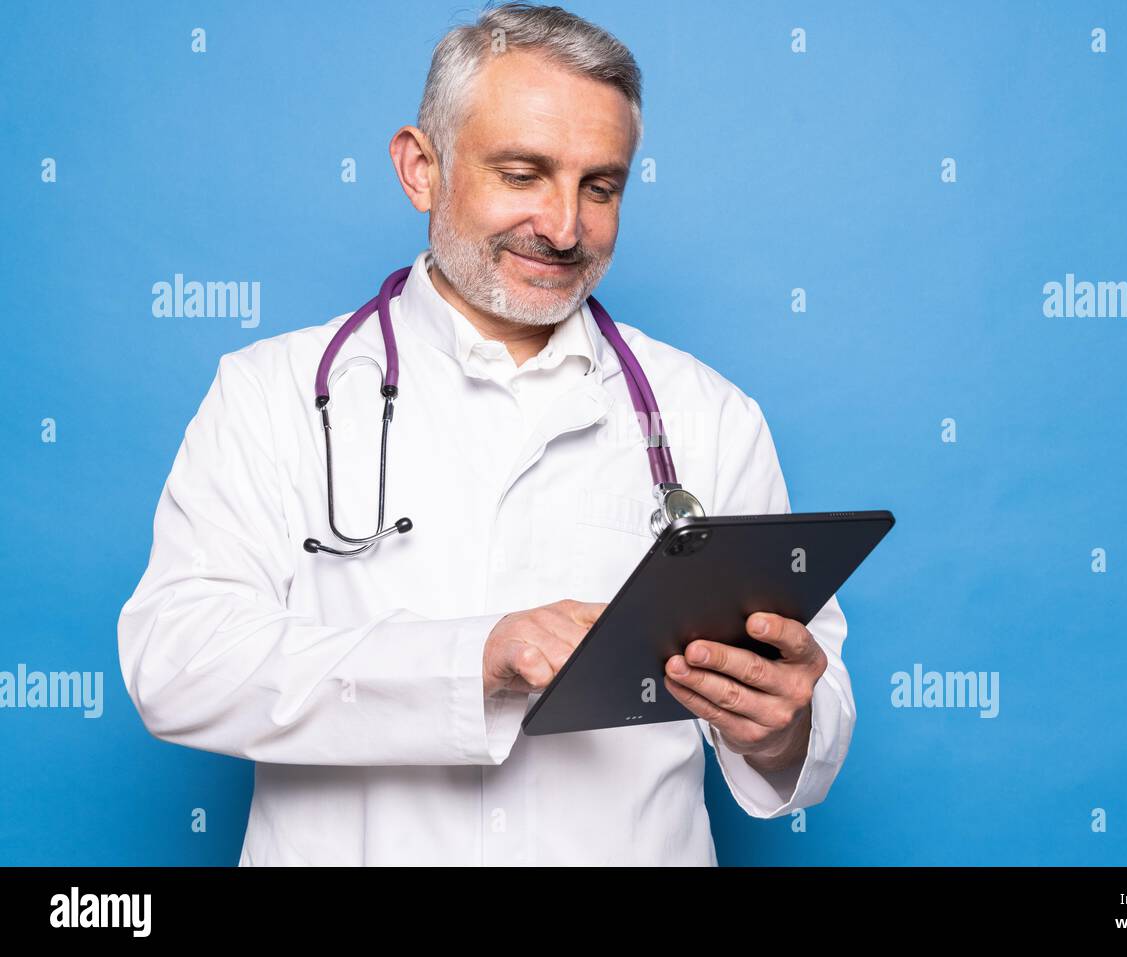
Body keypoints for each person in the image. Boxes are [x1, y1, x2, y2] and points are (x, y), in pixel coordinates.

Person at [117, 1, 857, 866]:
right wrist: (474, 658)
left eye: (601, 185)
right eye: (523, 173)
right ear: (420, 168)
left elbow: (809, 720)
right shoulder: (271, 394)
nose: (565, 226)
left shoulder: (710, 416)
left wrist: (783, 723)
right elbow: (177, 662)